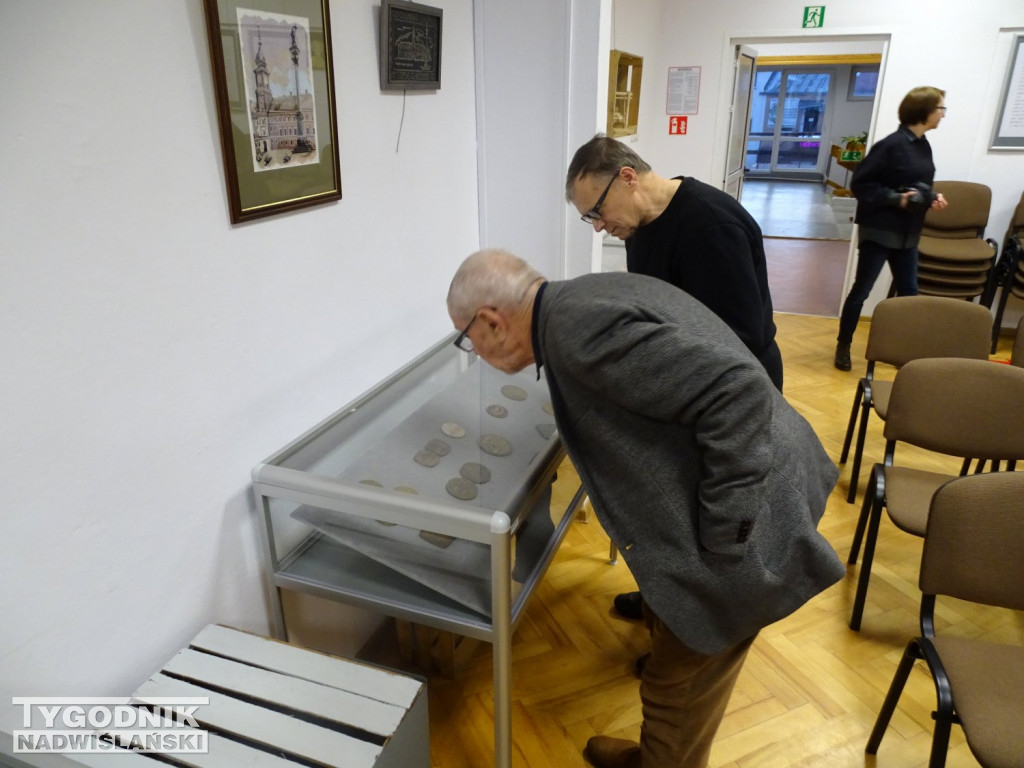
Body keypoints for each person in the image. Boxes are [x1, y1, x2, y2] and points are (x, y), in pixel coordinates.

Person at [447, 249, 845, 768]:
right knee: (675, 644)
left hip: (751, 507)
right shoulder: (578, 298)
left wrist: (724, 541)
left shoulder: (576, 333)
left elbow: (737, 393)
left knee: (676, 685)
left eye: (467, 338)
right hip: (763, 472)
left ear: (490, 321)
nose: (474, 351)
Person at [565, 135, 784, 631]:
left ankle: (694, 637)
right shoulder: (641, 225)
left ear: (627, 177)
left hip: (736, 395)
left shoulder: (711, 225)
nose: (599, 226)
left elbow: (737, 338)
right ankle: (666, 606)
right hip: (689, 390)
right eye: (589, 218)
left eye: (597, 210)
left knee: (715, 523)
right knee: (673, 515)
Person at [834, 86, 949, 370]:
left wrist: (932, 196)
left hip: (909, 232)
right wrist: (897, 198)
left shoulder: (923, 145)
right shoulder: (889, 145)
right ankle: (843, 346)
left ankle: (903, 351)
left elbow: (917, 181)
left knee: (910, 294)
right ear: (924, 112)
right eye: (940, 109)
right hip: (881, 230)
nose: (943, 115)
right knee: (861, 290)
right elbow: (861, 185)